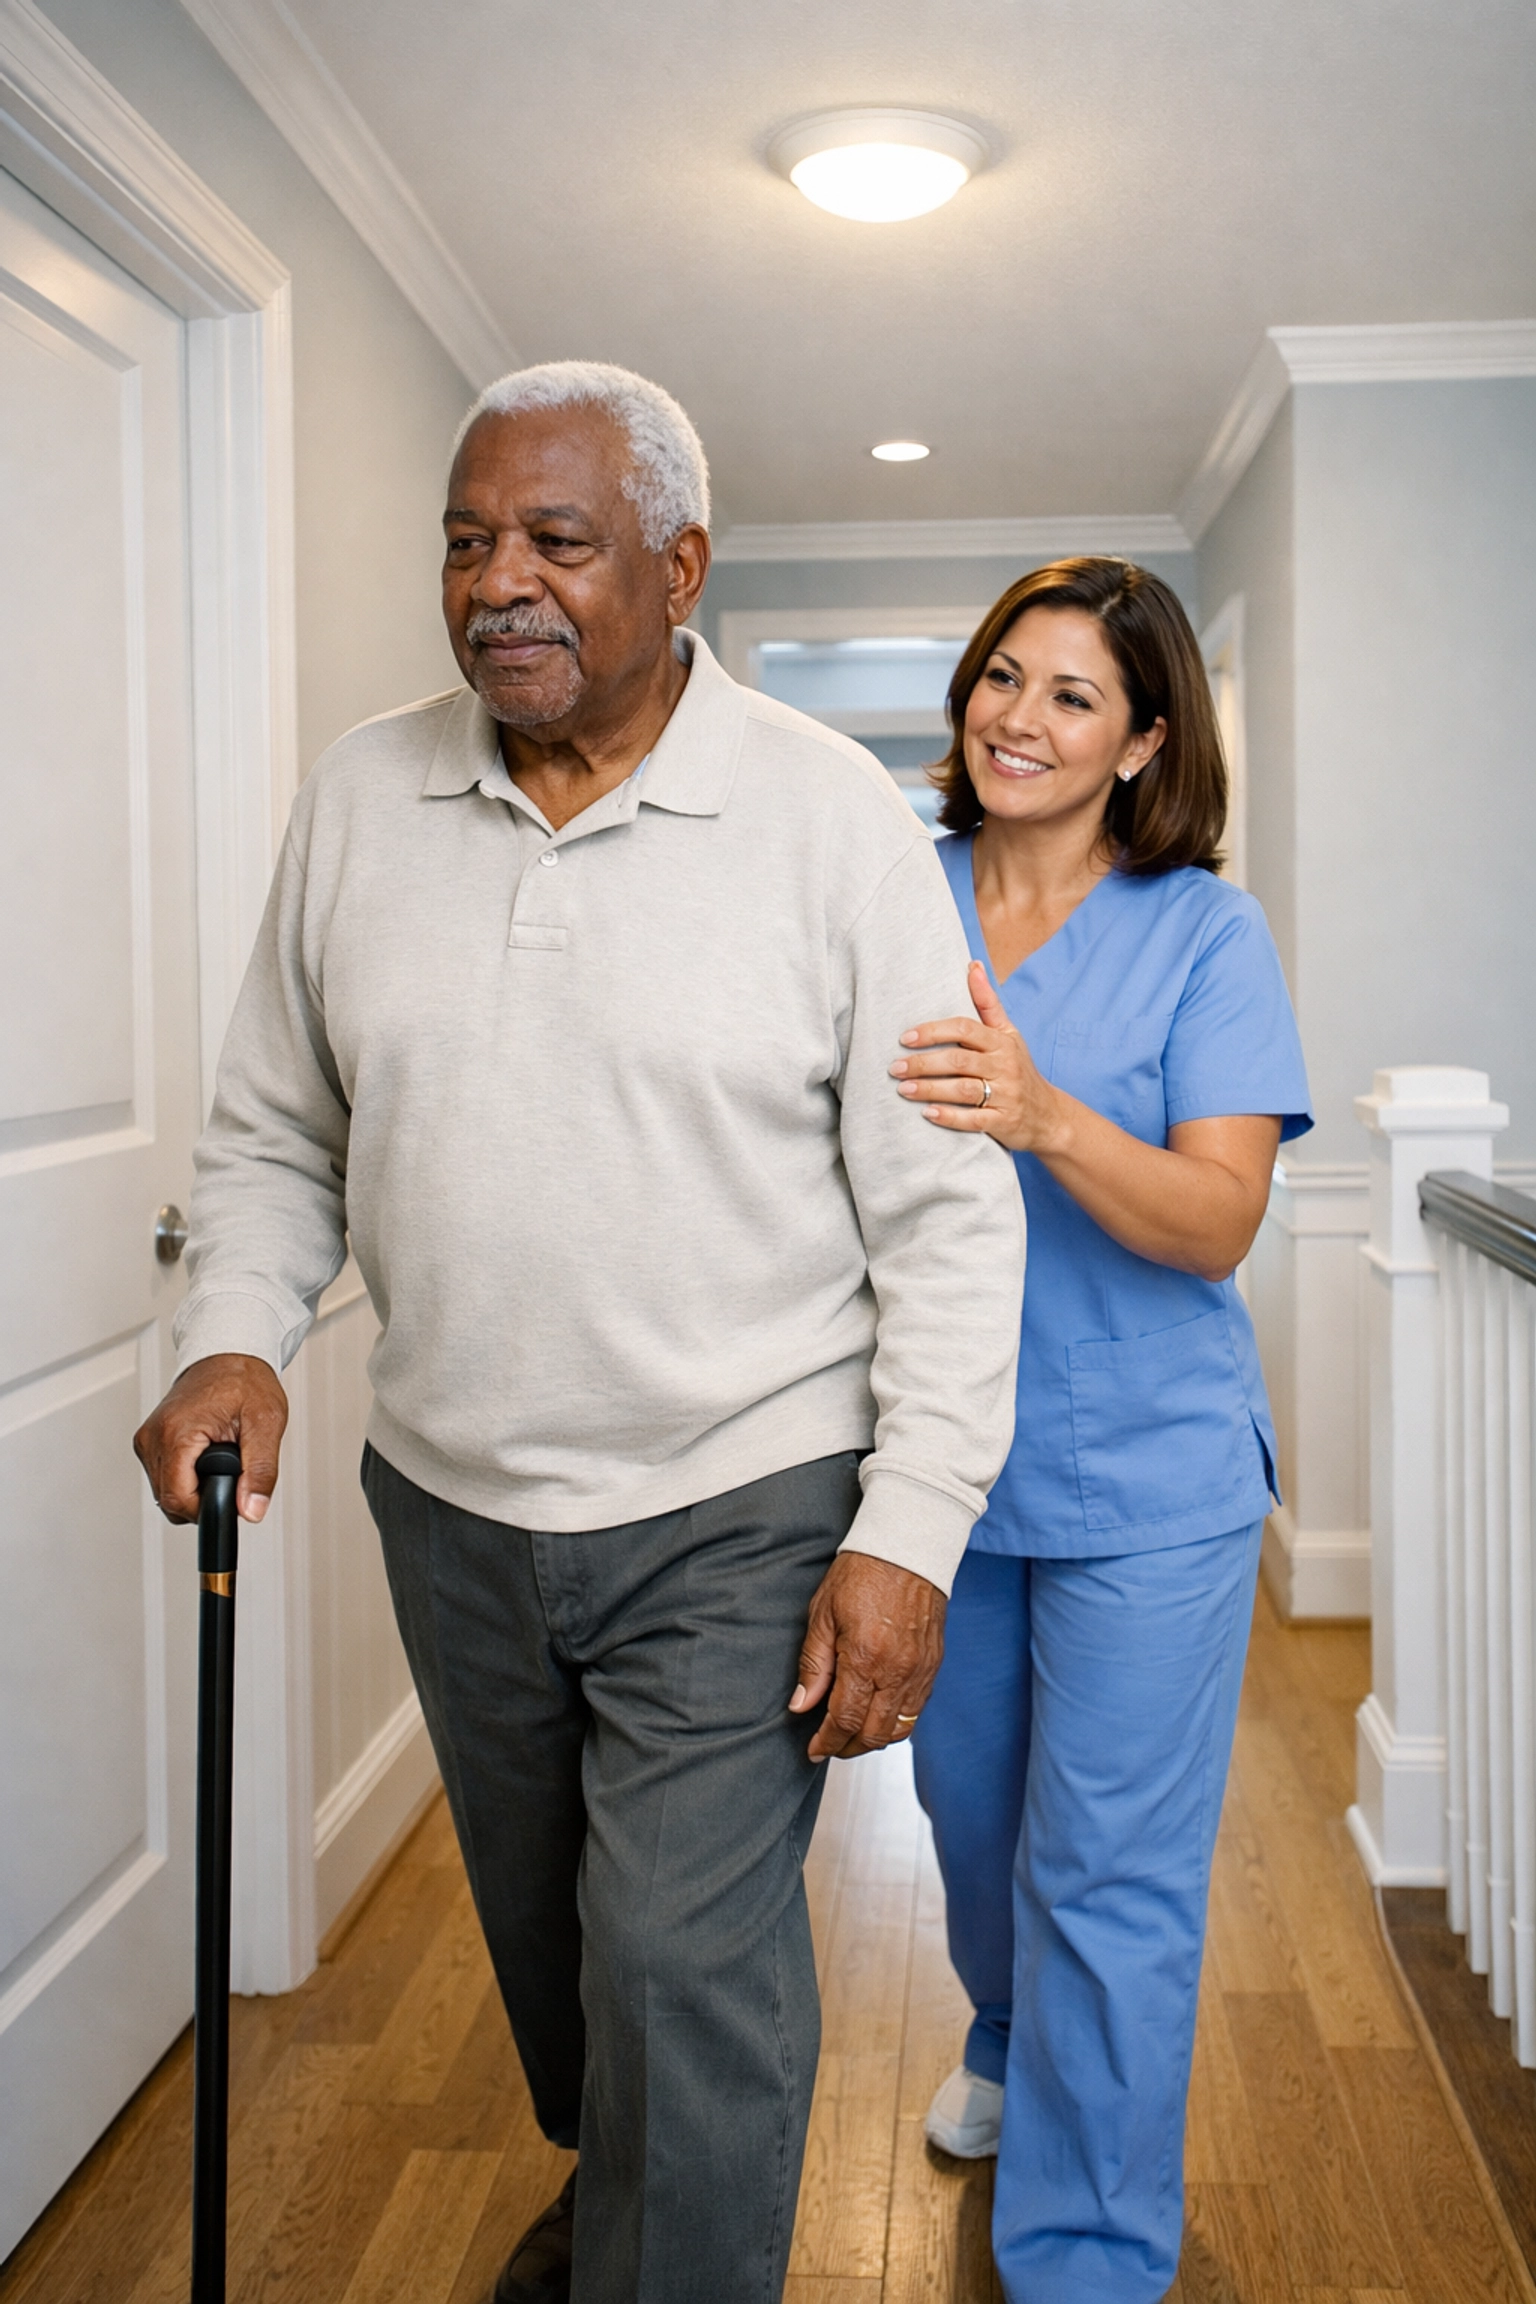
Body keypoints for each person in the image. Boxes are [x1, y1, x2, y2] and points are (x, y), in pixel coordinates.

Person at [132, 362, 1025, 2304]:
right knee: (559, 1966)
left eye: (557, 540)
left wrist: (908, 1531)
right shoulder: (364, 793)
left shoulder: (829, 821)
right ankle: (629, 2197)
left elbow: (947, 1210)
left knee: (681, 1974)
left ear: (682, 566)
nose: (498, 585)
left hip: (742, 1500)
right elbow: (279, 1131)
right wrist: (237, 1329)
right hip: (451, 1507)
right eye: (468, 541)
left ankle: (663, 2234)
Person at [888, 557, 1311, 2304]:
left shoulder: (1207, 929)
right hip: (934, 1469)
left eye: (1075, 695)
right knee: (974, 1828)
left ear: (1143, 741)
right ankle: (1006, 2041)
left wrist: (1048, 1116)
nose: (1022, 717)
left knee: (1111, 1873)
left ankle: (1085, 2257)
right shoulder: (890, 894)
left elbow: (1219, 1222)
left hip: (1151, 1480)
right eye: (1006, 673)